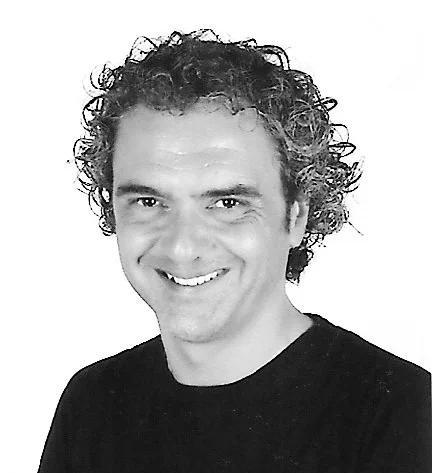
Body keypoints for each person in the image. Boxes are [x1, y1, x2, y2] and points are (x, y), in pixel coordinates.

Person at [38, 30, 431, 472]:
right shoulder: (92, 404)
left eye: (228, 204)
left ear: (297, 216)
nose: (183, 246)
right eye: (149, 202)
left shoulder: (403, 414)